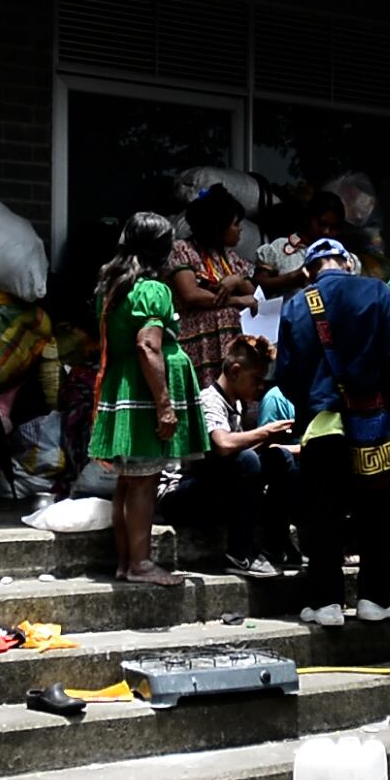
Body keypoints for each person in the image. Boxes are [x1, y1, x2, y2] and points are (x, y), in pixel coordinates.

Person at [276, 237, 390, 627]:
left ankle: (326, 605)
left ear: (308, 271)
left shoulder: (295, 305)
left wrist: (313, 402)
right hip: (375, 424)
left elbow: (285, 377)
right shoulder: (377, 291)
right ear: (349, 263)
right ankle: (377, 598)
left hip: (322, 426)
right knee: (379, 512)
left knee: (322, 513)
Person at [91, 212, 209, 587]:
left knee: (129, 481)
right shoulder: (152, 290)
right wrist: (165, 404)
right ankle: (140, 564)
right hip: (143, 393)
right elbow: (148, 345)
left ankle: (127, 562)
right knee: (143, 481)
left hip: (125, 385)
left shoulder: (113, 287)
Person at [156, 335, 298, 578]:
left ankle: (275, 545)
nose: (260, 387)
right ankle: (240, 552)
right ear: (235, 371)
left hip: (213, 489)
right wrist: (266, 431)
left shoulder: (238, 404)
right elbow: (222, 445)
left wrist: (279, 444)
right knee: (248, 460)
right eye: (256, 379)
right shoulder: (209, 399)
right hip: (178, 495)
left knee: (279, 458)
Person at [167, 185, 257, 374]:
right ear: (218, 227)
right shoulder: (182, 250)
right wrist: (236, 300)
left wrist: (237, 281)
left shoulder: (229, 257)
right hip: (198, 348)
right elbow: (191, 295)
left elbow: (254, 295)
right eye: (235, 224)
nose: (240, 229)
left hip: (226, 351)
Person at [253, 191, 359, 297]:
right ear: (308, 218)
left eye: (333, 228)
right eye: (321, 224)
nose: (326, 231)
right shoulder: (280, 248)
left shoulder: (344, 259)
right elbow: (257, 283)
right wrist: (292, 278)